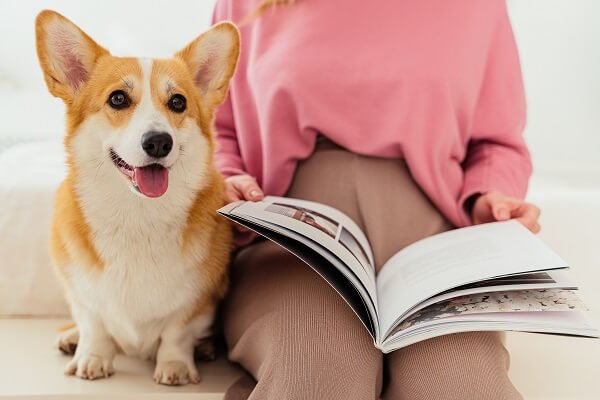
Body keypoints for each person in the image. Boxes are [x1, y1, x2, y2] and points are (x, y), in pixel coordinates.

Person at [213, 0, 541, 399]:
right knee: (315, 374)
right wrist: (225, 180)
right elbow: (214, 127)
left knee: (463, 387)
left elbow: (497, 141)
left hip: (433, 242)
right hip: (293, 242)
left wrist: (491, 197)